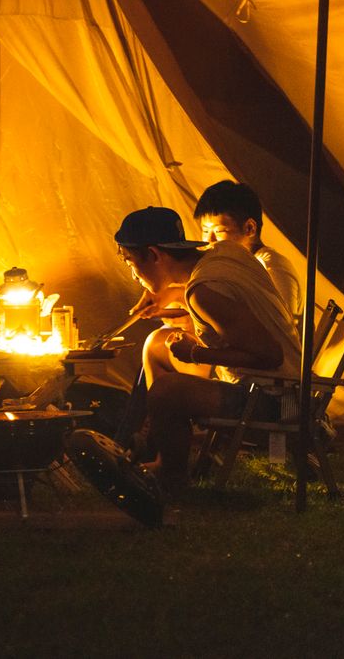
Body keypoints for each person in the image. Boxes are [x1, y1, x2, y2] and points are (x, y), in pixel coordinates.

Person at [114, 206, 300, 494]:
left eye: (129, 262)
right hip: (283, 388)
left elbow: (269, 355)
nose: (133, 274)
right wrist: (164, 291)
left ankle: (172, 480)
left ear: (154, 255)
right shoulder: (223, 253)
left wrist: (196, 354)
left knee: (168, 391)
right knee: (158, 345)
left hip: (276, 402)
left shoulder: (203, 291)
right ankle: (163, 456)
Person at [194, 180, 303, 328]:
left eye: (219, 231)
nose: (209, 240)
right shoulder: (234, 267)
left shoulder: (271, 267)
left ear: (249, 228)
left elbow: (281, 329)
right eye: (205, 231)